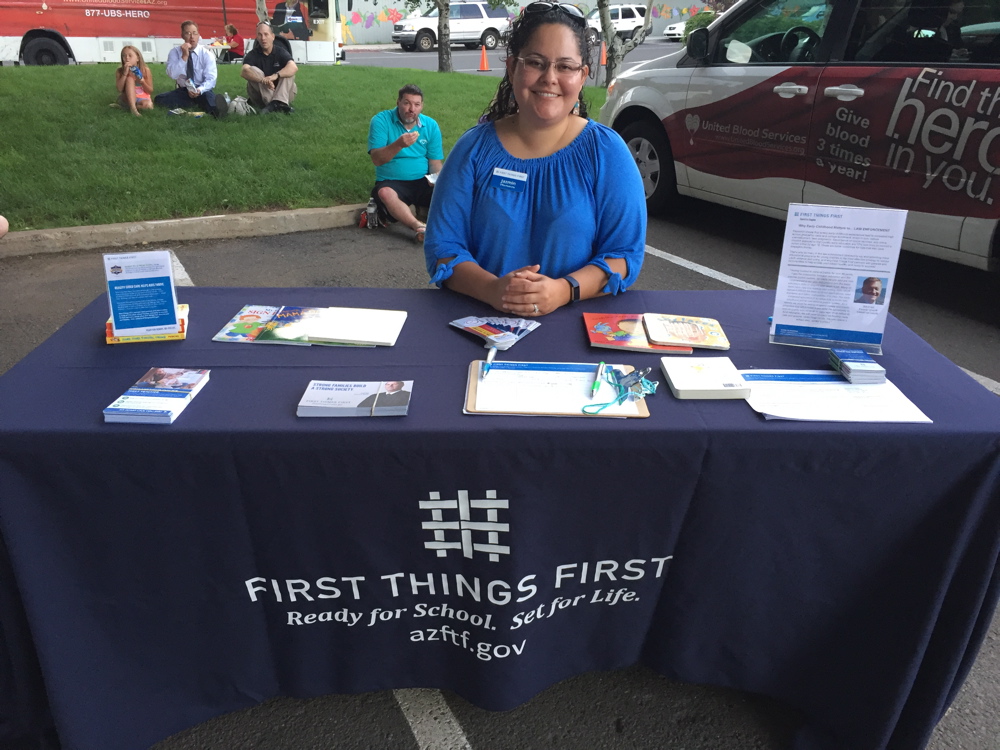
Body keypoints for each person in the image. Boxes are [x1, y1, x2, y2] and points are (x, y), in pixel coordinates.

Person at [423, 2, 646, 316]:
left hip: (574, 331)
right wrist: (492, 290)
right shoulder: (472, 151)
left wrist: (562, 290)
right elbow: (443, 248)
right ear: (513, 68)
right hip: (479, 330)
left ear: (582, 76)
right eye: (536, 63)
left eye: (565, 67)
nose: (549, 78)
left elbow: (624, 255)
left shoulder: (607, 153)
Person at [367, 84, 444, 242]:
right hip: (392, 182)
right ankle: (419, 227)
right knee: (385, 193)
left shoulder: (430, 125)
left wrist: (437, 179)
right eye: (407, 103)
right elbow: (377, 159)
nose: (411, 109)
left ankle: (458, 229)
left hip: (422, 180)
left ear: (422, 106)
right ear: (398, 103)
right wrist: (398, 145)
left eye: (417, 104)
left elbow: (435, 162)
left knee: (451, 189)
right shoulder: (381, 120)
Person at [153, 20, 221, 117]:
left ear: (198, 36)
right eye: (188, 33)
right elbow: (172, 74)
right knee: (159, 99)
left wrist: (199, 90)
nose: (192, 37)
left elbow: (211, 79)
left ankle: (213, 108)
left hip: (201, 89)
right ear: (182, 36)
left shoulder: (207, 54)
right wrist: (184, 57)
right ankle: (194, 103)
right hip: (184, 90)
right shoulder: (175, 52)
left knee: (211, 102)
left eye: (194, 33)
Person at [241, 21, 298, 114]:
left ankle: (275, 104)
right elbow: (244, 71)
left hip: (285, 92)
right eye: (260, 35)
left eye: (266, 34)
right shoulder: (252, 54)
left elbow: (293, 67)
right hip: (262, 96)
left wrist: (275, 76)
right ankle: (280, 104)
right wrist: (262, 80)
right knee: (253, 70)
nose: (263, 38)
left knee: (288, 72)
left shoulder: (281, 51)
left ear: (273, 36)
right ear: (257, 38)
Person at [115, 45, 154, 117]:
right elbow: (119, 89)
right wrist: (125, 74)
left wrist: (142, 82)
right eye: (124, 56)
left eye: (130, 55)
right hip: (127, 97)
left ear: (137, 58)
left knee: (148, 106)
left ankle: (126, 107)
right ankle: (133, 109)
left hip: (142, 97)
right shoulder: (120, 71)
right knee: (130, 79)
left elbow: (150, 91)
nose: (127, 58)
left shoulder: (145, 71)